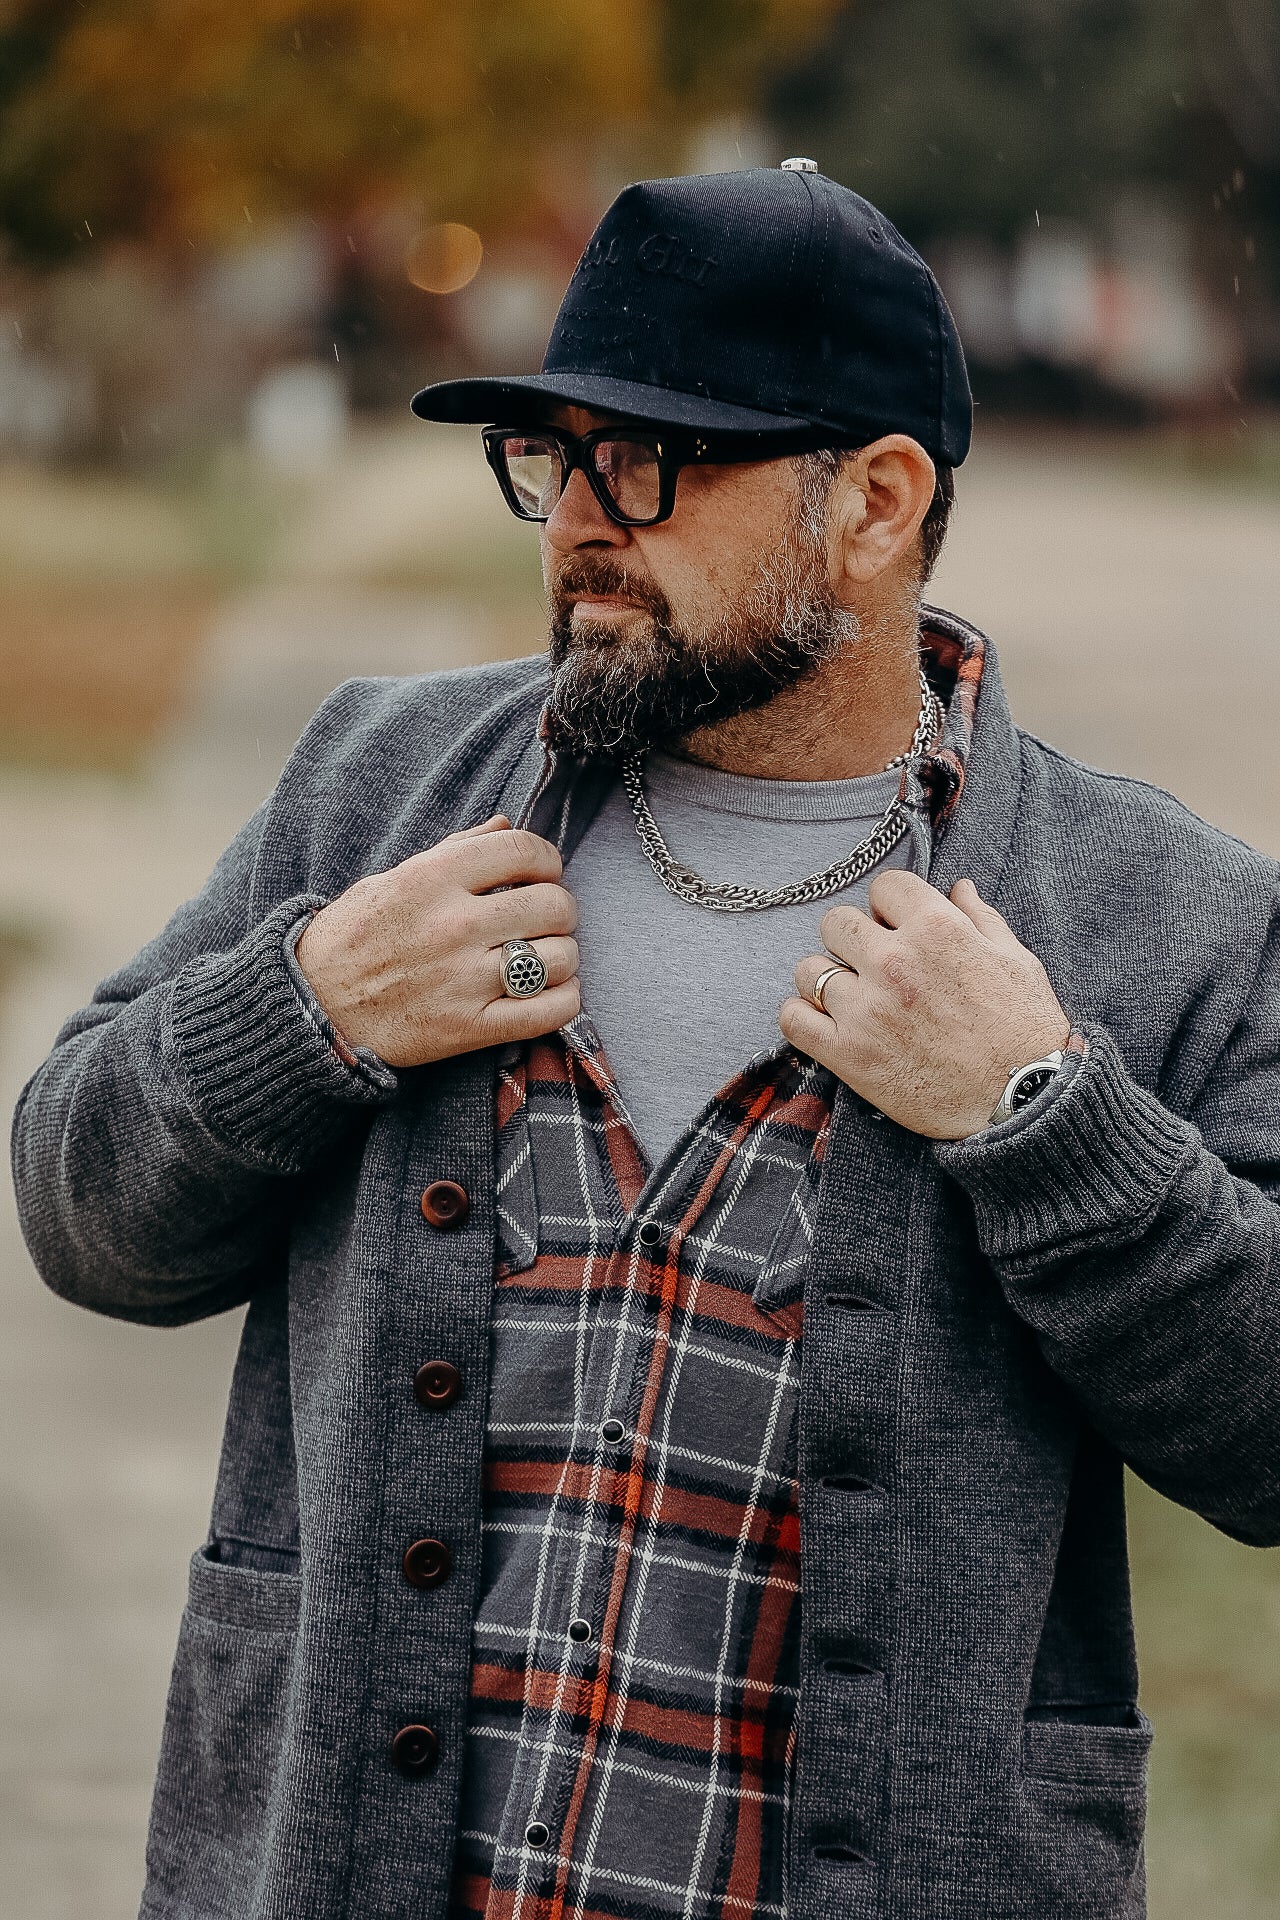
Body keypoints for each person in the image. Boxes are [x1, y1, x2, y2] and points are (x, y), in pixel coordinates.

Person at [11, 161, 1280, 1920]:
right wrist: (302, 1014)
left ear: (877, 502)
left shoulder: (1167, 913)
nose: (579, 521)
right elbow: (83, 1221)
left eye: (653, 462)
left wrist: (1045, 1121)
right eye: (555, 455)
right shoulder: (378, 784)